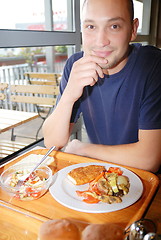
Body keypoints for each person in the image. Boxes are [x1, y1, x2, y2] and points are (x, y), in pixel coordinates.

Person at [42, 0, 161, 173]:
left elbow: (149, 159)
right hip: (102, 175)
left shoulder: (153, 65)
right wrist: (69, 95)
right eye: (91, 27)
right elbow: (52, 141)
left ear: (133, 29)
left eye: (114, 26)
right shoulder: (75, 65)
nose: (101, 41)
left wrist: (82, 149)